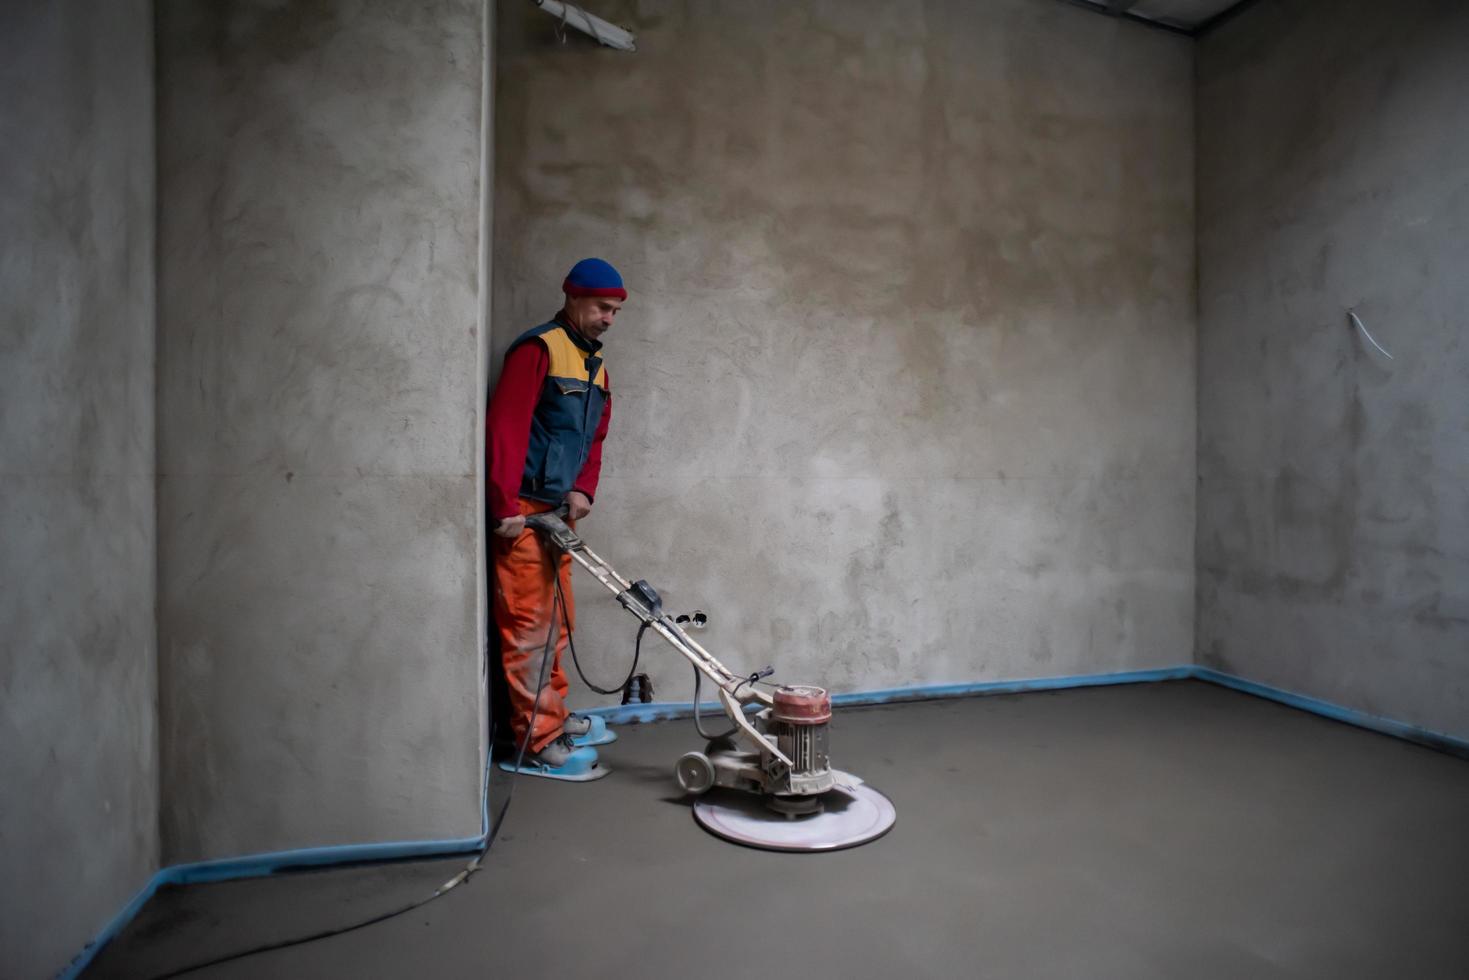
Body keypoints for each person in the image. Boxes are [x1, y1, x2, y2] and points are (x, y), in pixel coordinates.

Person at [486, 257, 624, 775]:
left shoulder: (594, 364)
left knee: (557, 622)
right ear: (573, 298)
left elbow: (596, 437)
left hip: (557, 515)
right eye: (601, 307)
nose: (609, 318)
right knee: (530, 627)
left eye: (614, 310)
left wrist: (584, 489)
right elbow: (506, 427)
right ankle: (535, 743)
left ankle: (554, 715)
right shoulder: (538, 349)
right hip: (521, 511)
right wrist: (502, 505)